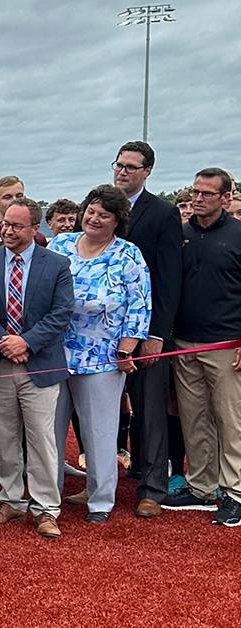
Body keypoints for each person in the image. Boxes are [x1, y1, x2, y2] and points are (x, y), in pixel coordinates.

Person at [0, 198, 74, 539]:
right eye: (5, 223)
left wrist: (26, 342)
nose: (8, 230)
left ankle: (46, 507)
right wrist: (4, 339)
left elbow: (61, 314)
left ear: (35, 228)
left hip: (40, 364)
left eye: (17, 225)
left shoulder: (57, 264)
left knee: (42, 438)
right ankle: (11, 499)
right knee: (6, 436)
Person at [50, 185, 152, 523]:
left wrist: (128, 348)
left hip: (103, 356)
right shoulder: (61, 244)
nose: (94, 218)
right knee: (48, 430)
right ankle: (47, 498)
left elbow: (140, 305)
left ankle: (100, 501)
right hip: (54, 352)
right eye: (91, 211)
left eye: (103, 215)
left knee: (100, 431)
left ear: (117, 220)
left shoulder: (128, 254)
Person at [112, 141, 185, 518]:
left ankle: (153, 488)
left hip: (144, 334)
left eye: (131, 167)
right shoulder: (100, 206)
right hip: (101, 336)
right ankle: (102, 484)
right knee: (105, 411)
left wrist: (156, 334)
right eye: (119, 164)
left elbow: (169, 279)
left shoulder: (163, 213)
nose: (122, 171)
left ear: (147, 171)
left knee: (150, 411)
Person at [166, 167, 241, 526]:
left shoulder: (239, 235)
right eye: (195, 192)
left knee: (231, 421)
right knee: (194, 419)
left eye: (207, 193)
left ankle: (235, 492)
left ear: (226, 198)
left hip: (226, 344)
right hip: (183, 344)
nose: (197, 198)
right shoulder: (180, 235)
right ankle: (202, 487)